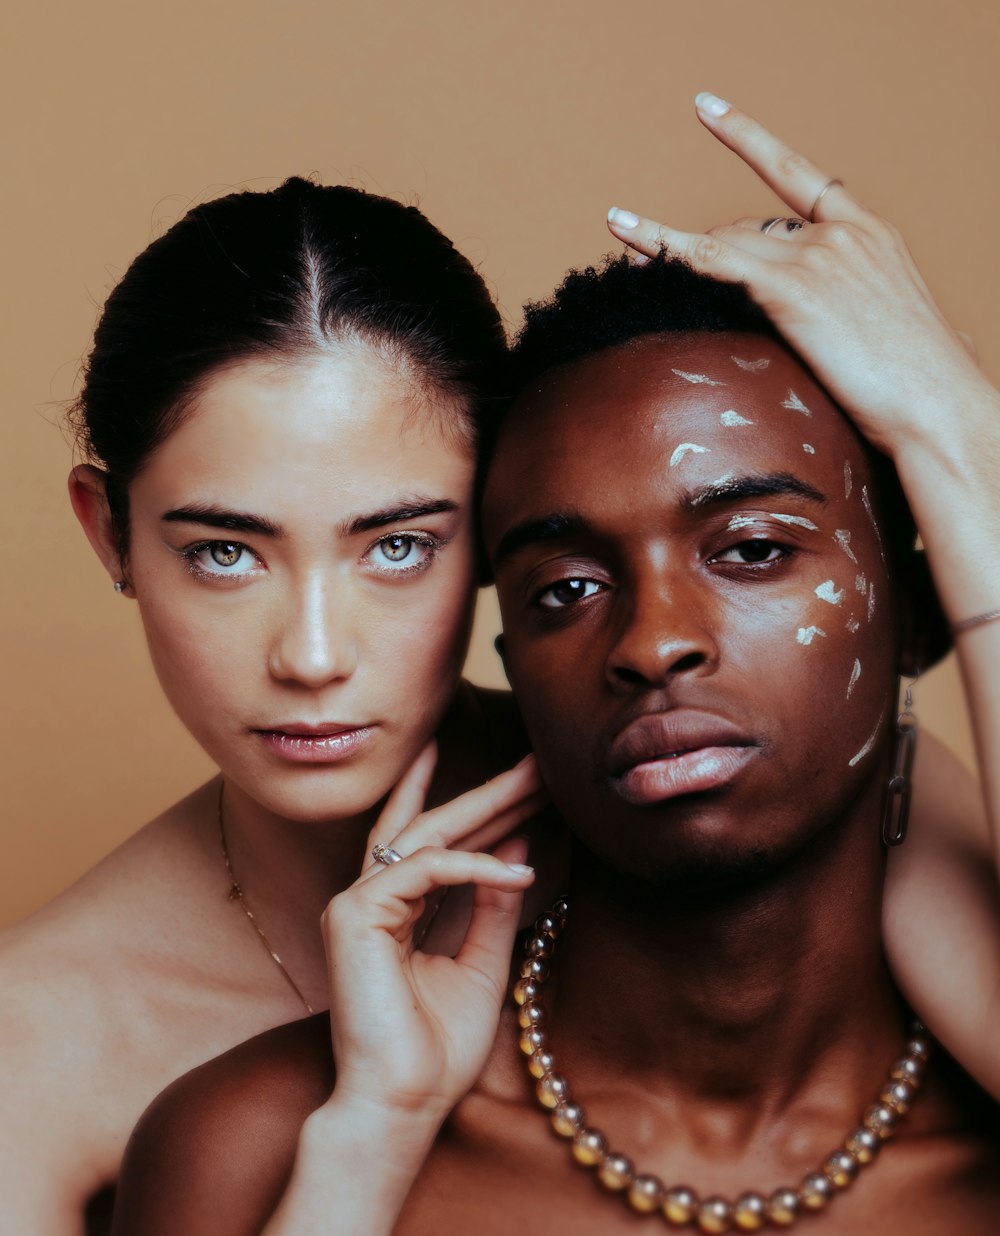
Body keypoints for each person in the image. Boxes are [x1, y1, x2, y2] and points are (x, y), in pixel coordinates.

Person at [110, 102, 1000, 1234]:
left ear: (919, 614)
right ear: (506, 657)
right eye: (564, 591)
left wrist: (963, 440)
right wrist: (373, 1135)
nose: (650, 640)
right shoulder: (255, 1147)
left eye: (753, 550)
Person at [0, 177, 548, 1234]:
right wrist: (369, 1132)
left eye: (396, 547)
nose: (310, 656)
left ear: (493, 522)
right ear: (109, 535)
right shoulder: (36, 1043)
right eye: (224, 553)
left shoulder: (726, 814)